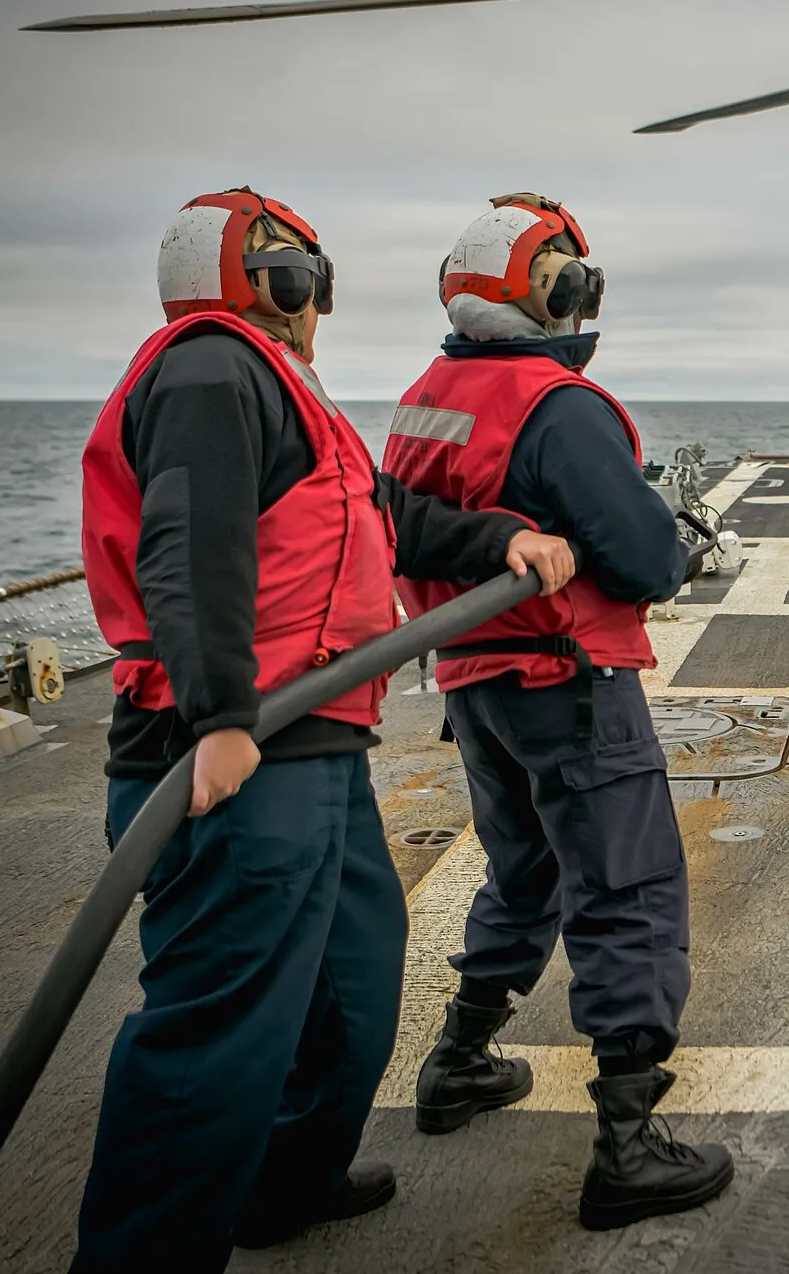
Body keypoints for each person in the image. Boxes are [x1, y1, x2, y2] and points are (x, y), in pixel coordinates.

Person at [74, 188, 571, 1272]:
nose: (317, 301)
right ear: (273, 281)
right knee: (216, 1034)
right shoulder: (211, 365)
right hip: (239, 752)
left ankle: (283, 1181)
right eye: (306, 276)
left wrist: (501, 538)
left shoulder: (281, 390)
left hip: (316, 745)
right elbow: (188, 542)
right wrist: (219, 718)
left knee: (353, 976)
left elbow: (384, 510)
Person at [383, 193, 733, 1231]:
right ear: (558, 293)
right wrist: (666, 539)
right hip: (567, 679)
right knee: (627, 891)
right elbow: (641, 557)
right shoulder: (557, 404)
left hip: (474, 685)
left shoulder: (426, 392)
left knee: (524, 869)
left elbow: (399, 519)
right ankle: (628, 1145)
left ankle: (458, 1058)